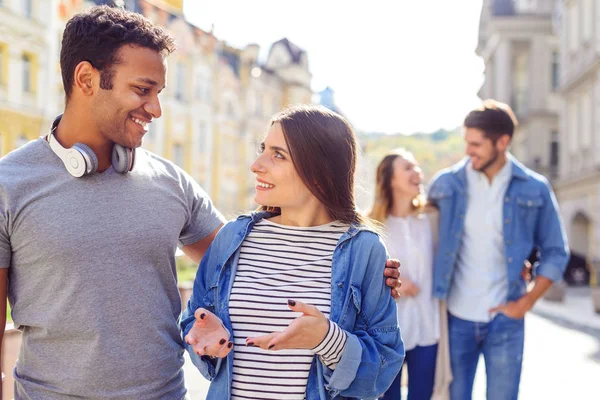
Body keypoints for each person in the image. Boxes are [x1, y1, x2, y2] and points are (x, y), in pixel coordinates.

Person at [0, 7, 401, 399]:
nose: (155, 109)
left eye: (159, 93)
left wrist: (366, 271)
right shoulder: (9, 185)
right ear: (86, 78)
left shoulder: (171, 182)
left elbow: (242, 262)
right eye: (142, 90)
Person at [179, 105, 405, 400]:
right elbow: (194, 321)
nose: (256, 164)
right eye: (263, 149)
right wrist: (203, 340)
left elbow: (384, 367)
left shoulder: (365, 251)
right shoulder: (232, 239)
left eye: (278, 155)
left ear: (319, 172)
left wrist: (327, 339)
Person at [427, 100, 569, 400]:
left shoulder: (535, 188)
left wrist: (526, 302)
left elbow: (556, 250)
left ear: (502, 142)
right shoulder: (445, 185)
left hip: (506, 321)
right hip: (455, 319)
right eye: (467, 142)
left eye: (476, 144)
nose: (468, 151)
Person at [370, 149, 452, 400]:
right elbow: (362, 277)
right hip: (387, 335)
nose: (417, 171)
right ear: (390, 179)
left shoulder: (431, 219)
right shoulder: (372, 225)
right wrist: (396, 286)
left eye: (416, 166)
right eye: (407, 167)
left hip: (427, 327)